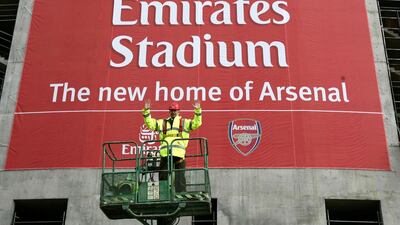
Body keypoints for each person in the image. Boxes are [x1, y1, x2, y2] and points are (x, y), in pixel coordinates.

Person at [142, 100, 202, 193]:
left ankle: (181, 194)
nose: (173, 112)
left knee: (180, 176)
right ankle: (162, 193)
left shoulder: (184, 122)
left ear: (179, 111)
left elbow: (196, 123)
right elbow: (150, 124)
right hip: (165, 153)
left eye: (175, 110)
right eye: (172, 110)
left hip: (178, 153)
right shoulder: (162, 123)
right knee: (162, 175)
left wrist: (197, 110)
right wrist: (147, 111)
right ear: (169, 111)